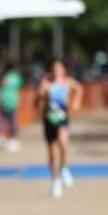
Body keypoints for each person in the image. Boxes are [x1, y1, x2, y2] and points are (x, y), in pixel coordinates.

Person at [38, 59, 83, 199]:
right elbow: (39, 97)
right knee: (52, 153)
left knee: (63, 143)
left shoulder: (67, 82)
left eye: (59, 68)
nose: (57, 71)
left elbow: (79, 88)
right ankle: (56, 181)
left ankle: (64, 168)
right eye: (54, 68)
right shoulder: (47, 83)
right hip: (49, 119)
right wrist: (43, 91)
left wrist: (76, 101)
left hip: (62, 118)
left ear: (64, 70)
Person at [0, 62, 24, 152]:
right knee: (13, 122)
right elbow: (20, 87)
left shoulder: (4, 77)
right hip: (13, 102)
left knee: (3, 120)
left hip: (4, 101)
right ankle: (12, 139)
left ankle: (3, 137)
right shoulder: (17, 77)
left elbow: (1, 87)